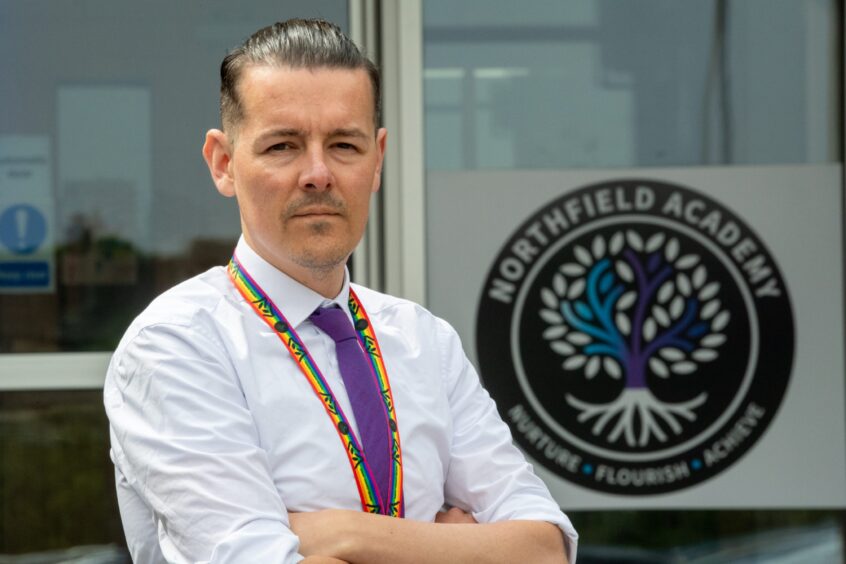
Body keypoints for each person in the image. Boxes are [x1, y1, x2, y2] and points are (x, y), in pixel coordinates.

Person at [104, 18, 577, 564]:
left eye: (344, 145)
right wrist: (461, 547)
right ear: (224, 163)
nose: (317, 173)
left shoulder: (423, 339)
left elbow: (545, 549)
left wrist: (345, 535)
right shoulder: (178, 345)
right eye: (282, 145)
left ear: (377, 159)